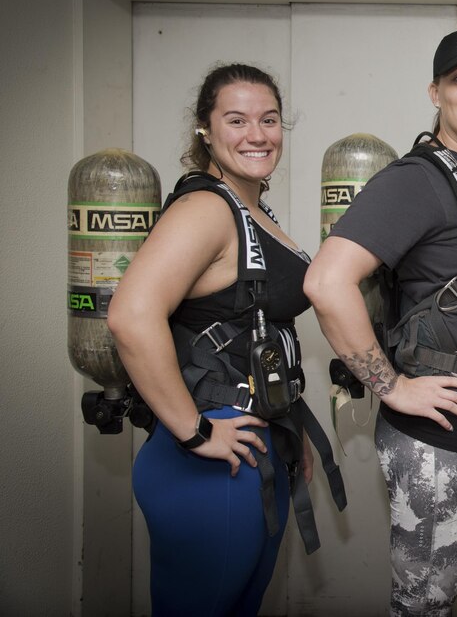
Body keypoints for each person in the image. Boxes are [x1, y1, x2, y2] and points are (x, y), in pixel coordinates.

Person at [305, 29, 457, 616]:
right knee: (426, 604)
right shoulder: (416, 179)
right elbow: (326, 282)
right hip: (445, 434)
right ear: (435, 92)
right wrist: (391, 386)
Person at [108, 63, 345, 616]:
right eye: (236, 120)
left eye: (269, 119)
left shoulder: (250, 208)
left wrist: (288, 427)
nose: (257, 135)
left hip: (255, 449)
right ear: (205, 129)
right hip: (212, 466)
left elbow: (256, 328)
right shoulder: (206, 208)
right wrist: (195, 433)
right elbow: (131, 316)